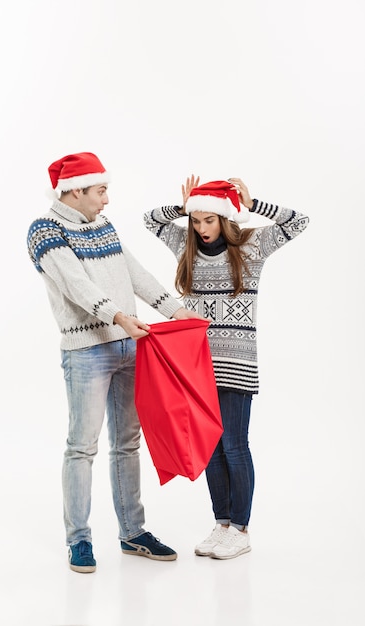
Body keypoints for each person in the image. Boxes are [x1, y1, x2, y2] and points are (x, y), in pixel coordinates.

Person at [27, 152, 199, 573]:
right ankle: (79, 541)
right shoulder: (44, 231)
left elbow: (133, 272)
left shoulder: (104, 225)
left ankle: (133, 533)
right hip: (88, 350)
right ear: (76, 190)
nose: (106, 201)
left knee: (127, 443)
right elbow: (74, 284)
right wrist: (118, 316)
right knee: (81, 447)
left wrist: (176, 311)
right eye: (101, 191)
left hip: (131, 346)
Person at [143, 175, 309, 559]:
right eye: (196, 221)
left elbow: (298, 222)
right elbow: (150, 220)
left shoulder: (251, 247)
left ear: (225, 219)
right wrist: (182, 209)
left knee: (234, 445)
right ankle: (221, 525)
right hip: (197, 367)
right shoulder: (186, 249)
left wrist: (253, 205)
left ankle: (241, 528)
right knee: (211, 449)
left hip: (236, 363)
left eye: (209, 220)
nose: (201, 228)